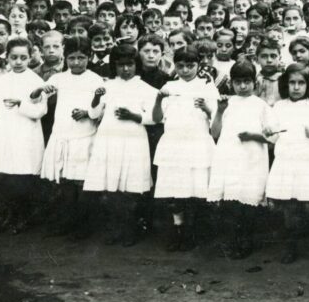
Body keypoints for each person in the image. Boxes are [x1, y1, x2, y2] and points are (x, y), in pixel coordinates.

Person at [84, 43, 159, 247]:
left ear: (136, 65)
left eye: (130, 64)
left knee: (130, 188)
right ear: (114, 66)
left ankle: (130, 229)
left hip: (133, 140)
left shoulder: (146, 89)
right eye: (120, 65)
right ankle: (115, 228)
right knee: (111, 188)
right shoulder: (106, 86)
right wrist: (96, 97)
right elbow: (93, 114)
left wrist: (134, 116)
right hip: (109, 139)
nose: (125, 69)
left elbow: (155, 118)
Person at [33, 35, 102, 239]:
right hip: (62, 132)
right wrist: (40, 89)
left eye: (81, 58)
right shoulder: (58, 78)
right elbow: (36, 98)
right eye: (72, 58)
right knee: (65, 182)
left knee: (82, 180)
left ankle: (83, 225)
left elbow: (100, 108)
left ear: (89, 57)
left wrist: (87, 113)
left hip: (84, 134)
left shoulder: (95, 79)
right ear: (65, 57)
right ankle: (67, 222)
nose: (76, 62)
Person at [0, 37, 48, 234]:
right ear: (7, 57)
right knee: (0, 176)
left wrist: (21, 104)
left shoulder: (36, 81)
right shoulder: (1, 80)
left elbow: (40, 111)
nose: (18, 62)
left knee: (20, 177)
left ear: (30, 57)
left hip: (25, 134)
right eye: (14, 57)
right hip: (4, 132)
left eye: (23, 58)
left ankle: (19, 219)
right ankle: (1, 217)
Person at [152, 46, 219, 251]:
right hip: (173, 145)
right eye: (180, 66)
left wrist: (206, 108)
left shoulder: (207, 87)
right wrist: (159, 99)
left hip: (197, 144)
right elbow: (156, 118)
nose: (185, 70)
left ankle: (191, 230)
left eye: (190, 66)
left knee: (194, 190)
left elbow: (217, 120)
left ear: (198, 65)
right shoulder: (169, 86)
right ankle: (177, 228)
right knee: (175, 190)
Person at [265, 63, 309, 266]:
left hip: (306, 163)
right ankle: (291, 246)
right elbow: (273, 136)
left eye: (301, 83)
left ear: (307, 85)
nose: (296, 87)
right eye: (292, 82)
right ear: (286, 84)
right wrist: (268, 132)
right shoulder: (279, 106)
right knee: (289, 207)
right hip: (285, 162)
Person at [208, 60, 272, 258]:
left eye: (247, 81)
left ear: (255, 82)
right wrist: (220, 110)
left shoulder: (261, 106)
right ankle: (232, 240)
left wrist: (253, 136)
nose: (243, 86)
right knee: (231, 200)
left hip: (252, 159)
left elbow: (272, 138)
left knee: (248, 199)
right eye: (238, 82)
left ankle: (246, 240)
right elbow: (214, 132)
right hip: (229, 157)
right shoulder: (225, 103)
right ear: (231, 83)